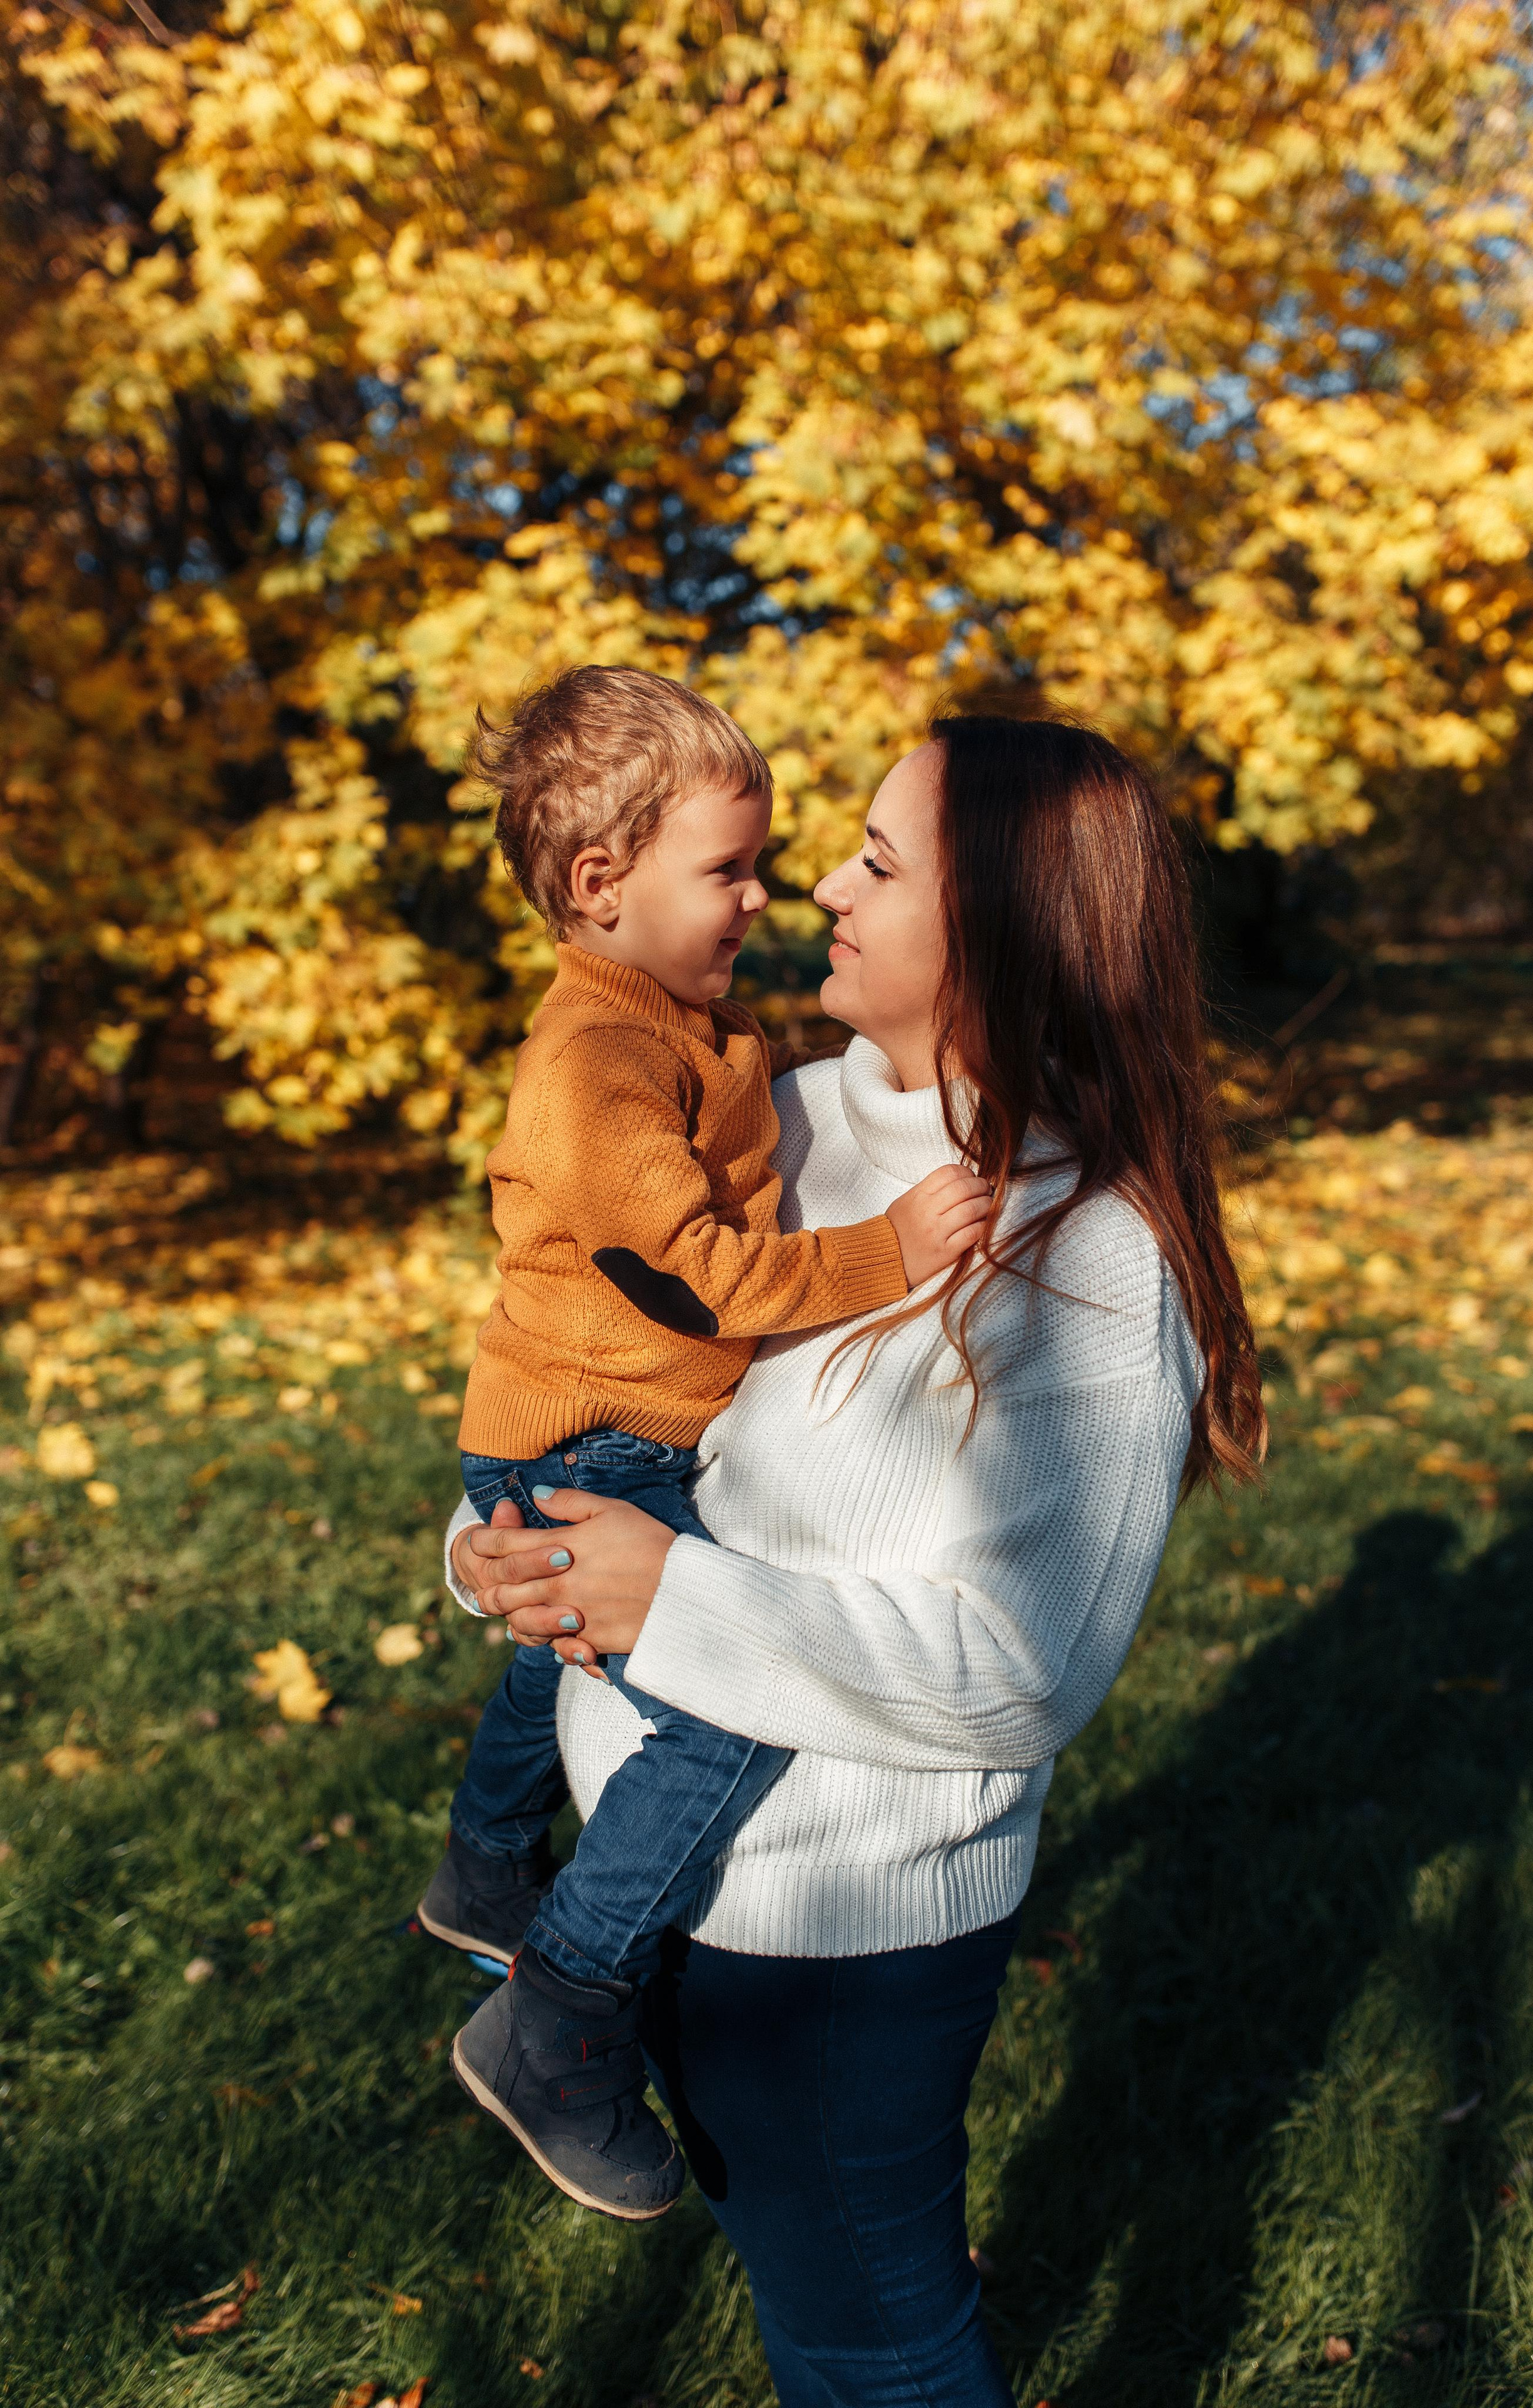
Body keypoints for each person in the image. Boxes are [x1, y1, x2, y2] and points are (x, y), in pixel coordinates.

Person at [443, 706, 1265, 2405]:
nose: (819, 884)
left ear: (1006, 936)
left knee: (870, 2348)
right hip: (650, 1871)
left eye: (877, 865)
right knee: (820, 2298)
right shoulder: (782, 1121)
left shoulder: (1091, 1264)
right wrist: (495, 1555)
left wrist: (668, 1598)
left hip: (829, 1943)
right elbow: (587, 1370)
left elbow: (1021, 1673)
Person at [416, 664, 990, 2220]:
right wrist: (888, 1253)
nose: (762, 898)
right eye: (727, 870)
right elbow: (699, 1277)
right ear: (600, 884)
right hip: (588, 1439)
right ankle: (562, 2004)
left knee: (557, 1646)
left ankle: (484, 1857)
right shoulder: (600, 1064)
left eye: (763, 862)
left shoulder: (687, 1025)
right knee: (725, 1715)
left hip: (594, 1432)